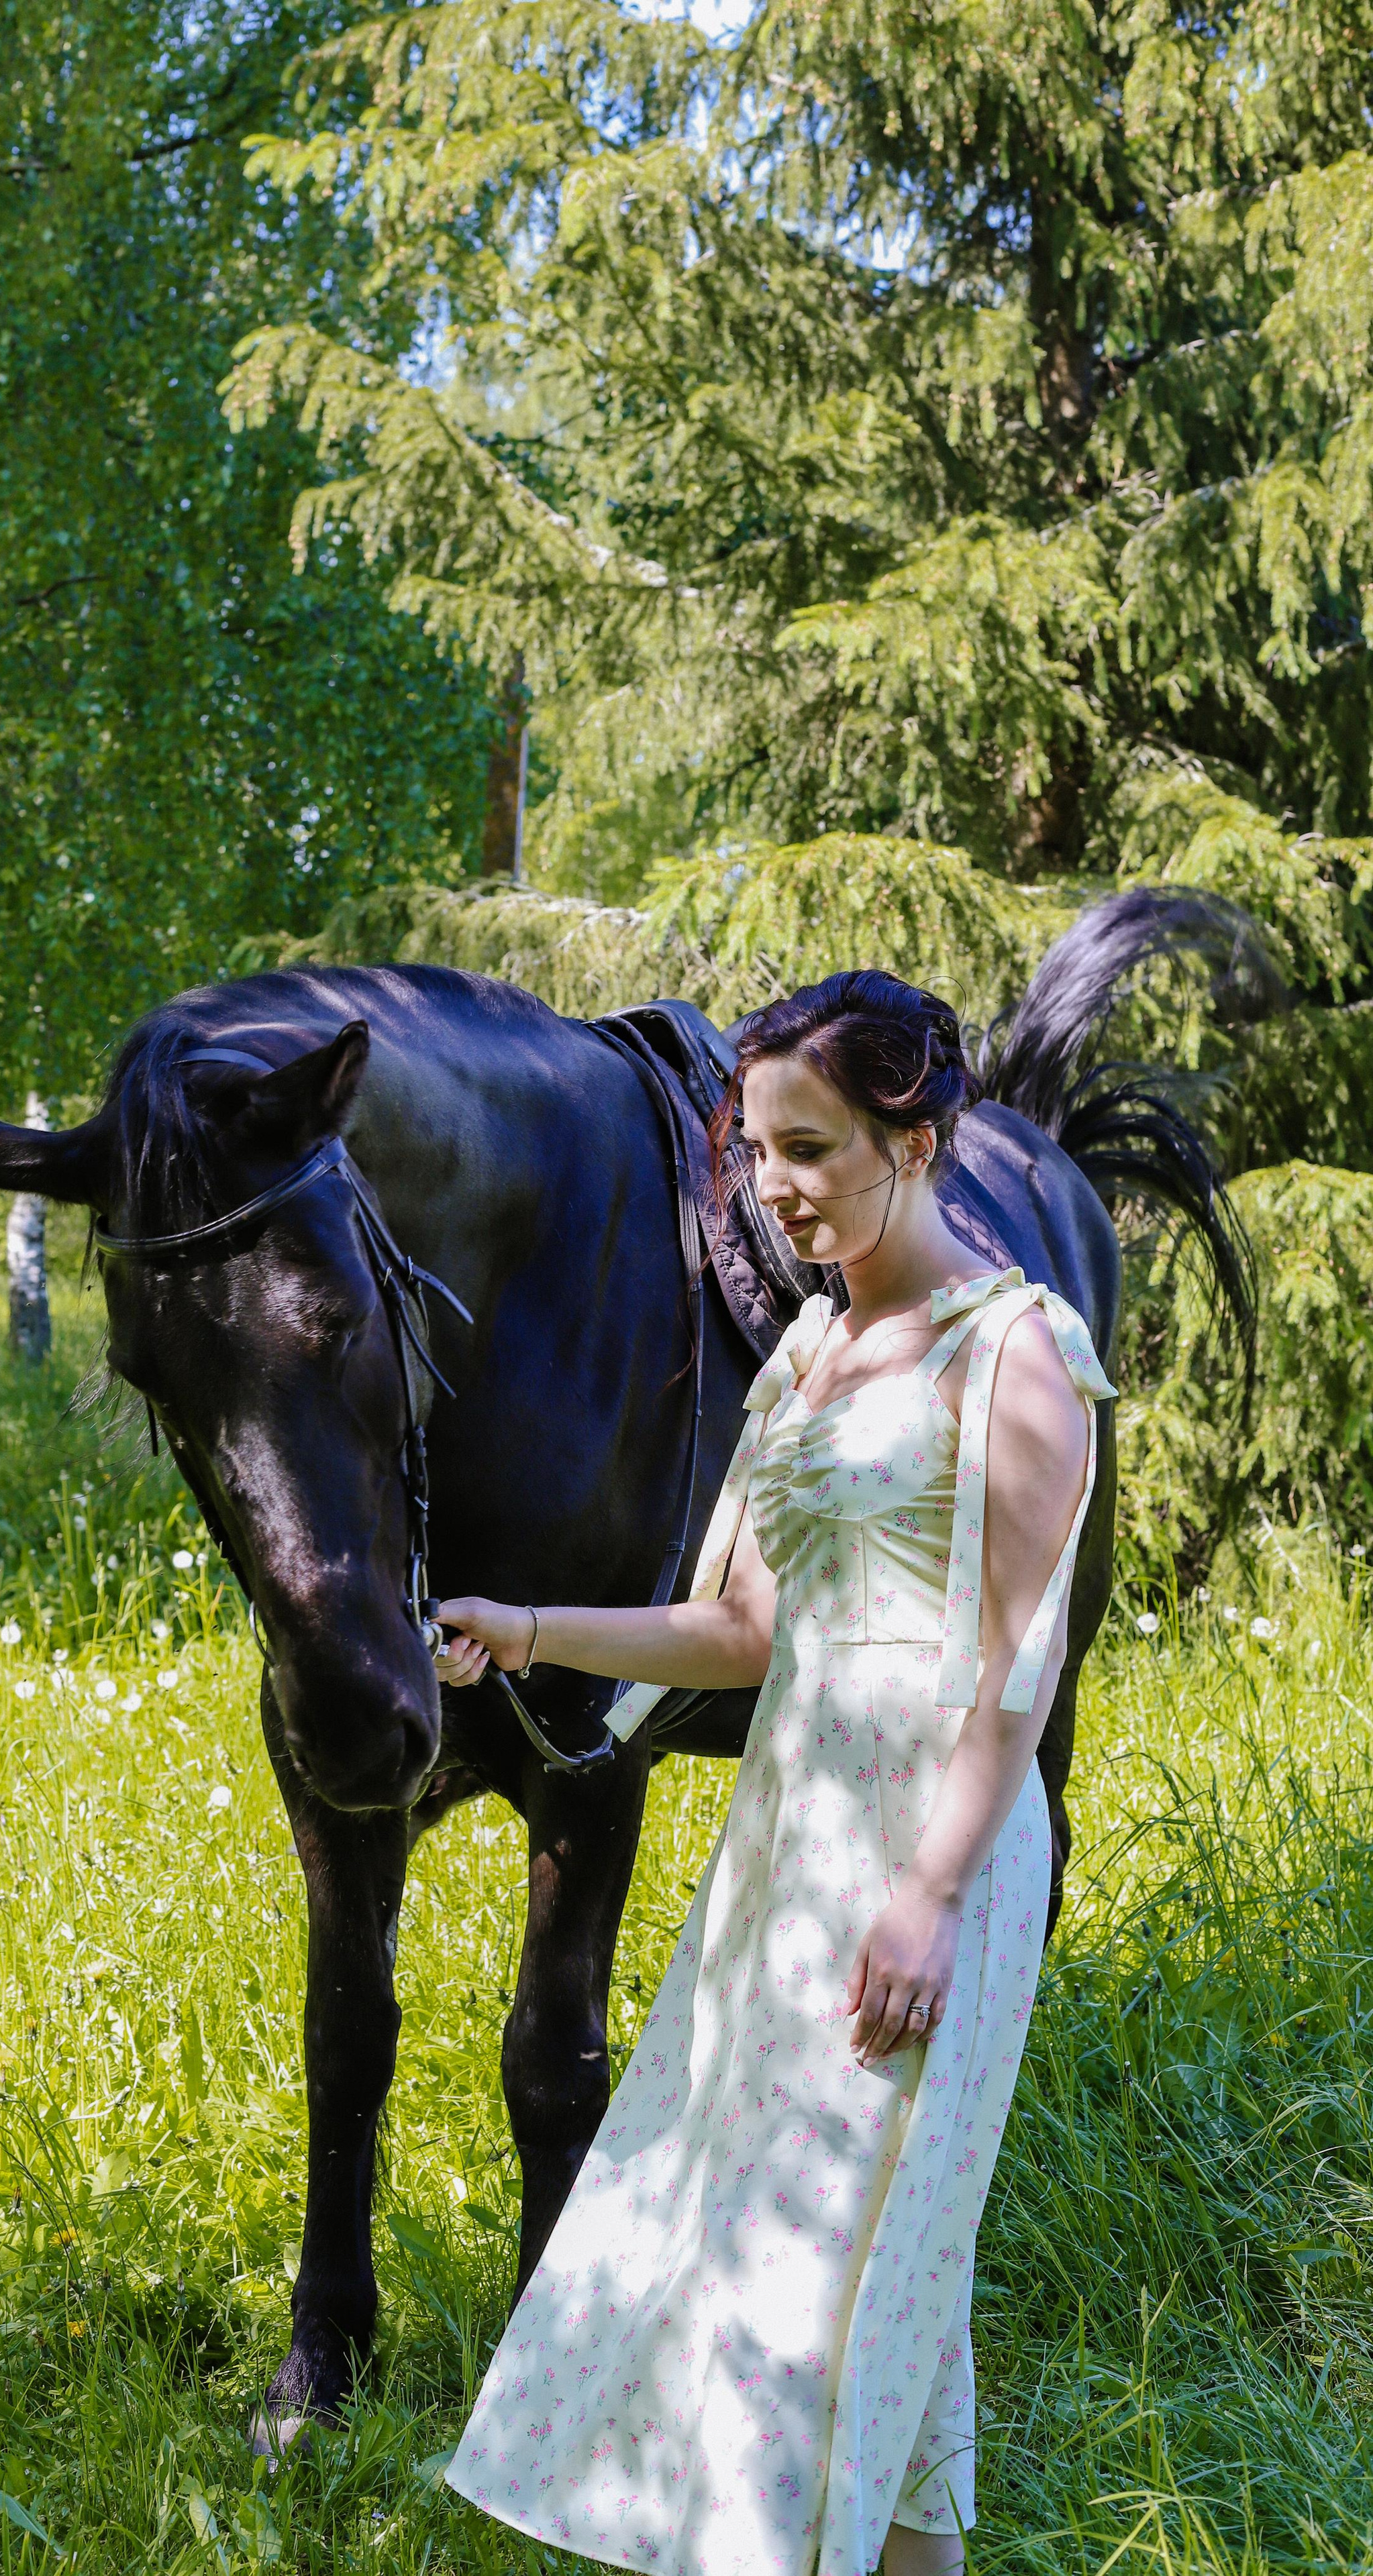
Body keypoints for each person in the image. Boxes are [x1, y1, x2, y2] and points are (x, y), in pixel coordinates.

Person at [429, 971, 1115, 2576]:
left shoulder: (1013, 1353)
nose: (774, 1188)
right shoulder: (804, 1358)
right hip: (787, 1856)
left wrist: (929, 1898)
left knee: (821, 2278)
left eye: (808, 1148)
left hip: (927, 1853)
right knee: (871, 2277)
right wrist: (526, 1628)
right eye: (752, 1151)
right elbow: (741, 1629)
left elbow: (1023, 1668)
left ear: (920, 1135)